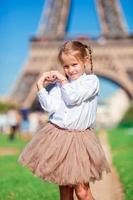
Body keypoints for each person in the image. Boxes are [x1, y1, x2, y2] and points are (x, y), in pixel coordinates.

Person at [18, 41, 111, 200]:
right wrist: (41, 86)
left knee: (82, 192)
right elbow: (50, 107)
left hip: (80, 140)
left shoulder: (91, 82)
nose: (70, 70)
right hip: (58, 137)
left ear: (86, 61)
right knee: (65, 192)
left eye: (74, 64)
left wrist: (63, 81)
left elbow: (73, 98)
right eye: (66, 66)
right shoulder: (59, 85)